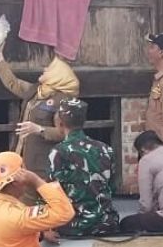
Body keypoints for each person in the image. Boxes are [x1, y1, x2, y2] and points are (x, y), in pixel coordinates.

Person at [0, 47, 80, 177]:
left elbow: (65, 134)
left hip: (42, 167)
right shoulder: (37, 91)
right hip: (21, 159)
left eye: (50, 69)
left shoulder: (64, 101)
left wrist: (39, 129)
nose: (45, 69)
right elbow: (13, 83)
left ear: (58, 77)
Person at [49, 98, 119, 237]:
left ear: (59, 123)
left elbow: (53, 194)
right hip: (108, 223)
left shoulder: (59, 152)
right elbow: (113, 187)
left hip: (76, 225)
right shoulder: (105, 149)